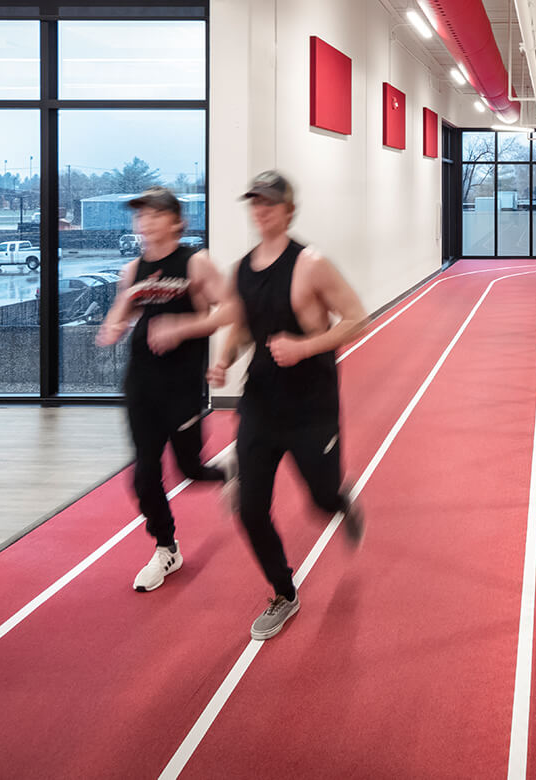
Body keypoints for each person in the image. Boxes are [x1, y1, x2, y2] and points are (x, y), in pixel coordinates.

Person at [208, 170, 369, 640]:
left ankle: (342, 502)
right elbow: (242, 328)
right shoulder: (241, 269)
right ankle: (284, 591)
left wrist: (305, 347)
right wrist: (223, 359)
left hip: (310, 407)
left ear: (288, 211)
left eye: (270, 203)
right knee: (251, 510)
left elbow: (358, 316)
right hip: (260, 404)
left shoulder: (311, 264)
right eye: (255, 203)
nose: (261, 211)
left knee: (319, 500)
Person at [96, 187, 231, 592]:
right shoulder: (132, 269)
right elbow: (123, 308)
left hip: (182, 383)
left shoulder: (195, 262)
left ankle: (230, 471)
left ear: (176, 221)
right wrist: (114, 325)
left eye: (155, 214)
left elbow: (231, 307)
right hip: (141, 381)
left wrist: (183, 328)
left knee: (189, 468)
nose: (145, 221)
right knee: (143, 473)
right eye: (140, 215)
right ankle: (166, 547)